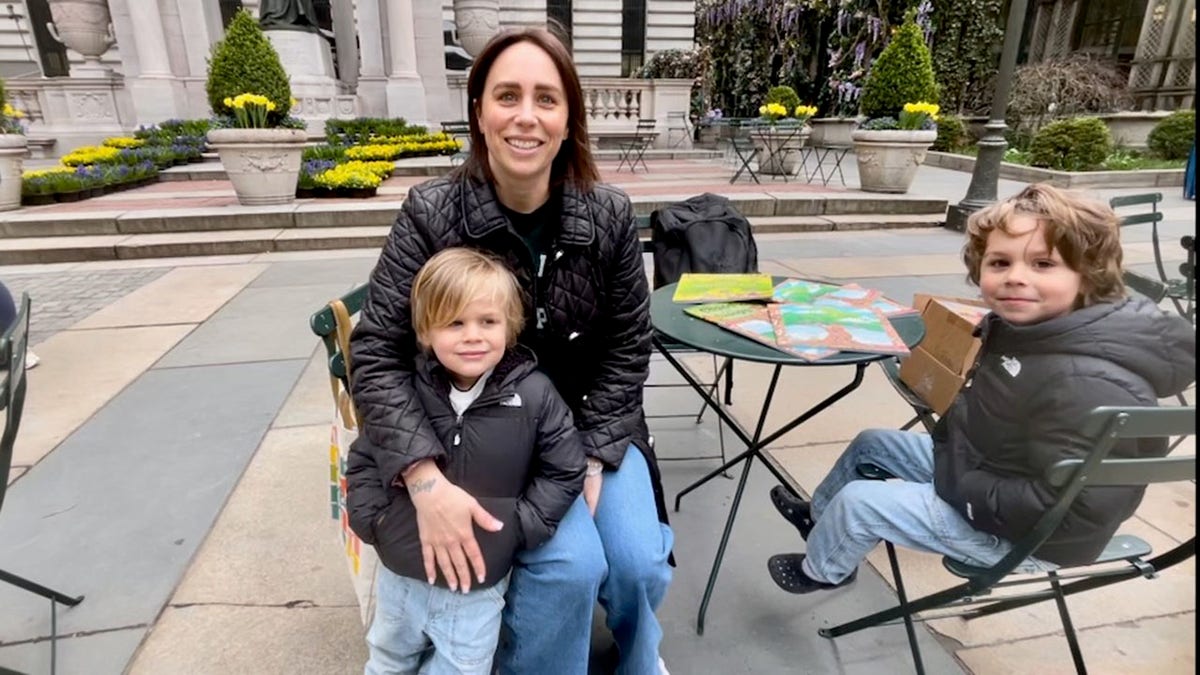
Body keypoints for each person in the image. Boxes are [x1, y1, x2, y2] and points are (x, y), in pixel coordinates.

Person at [348, 27, 673, 675]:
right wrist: (422, 474)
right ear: (479, 111)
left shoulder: (607, 213)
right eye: (507, 95)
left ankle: (639, 658)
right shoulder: (432, 212)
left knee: (637, 560)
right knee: (573, 566)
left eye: (546, 99)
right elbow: (377, 352)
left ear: (568, 118)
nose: (526, 116)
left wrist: (594, 450)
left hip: (591, 425)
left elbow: (628, 347)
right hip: (487, 430)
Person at [766, 183, 1196, 593]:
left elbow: (1078, 509)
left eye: (1043, 264)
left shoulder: (1087, 383)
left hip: (1026, 538)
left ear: (1088, 277)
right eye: (999, 263)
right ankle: (820, 521)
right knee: (873, 445)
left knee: (862, 502)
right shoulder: (1031, 331)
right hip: (989, 475)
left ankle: (824, 570)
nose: (1015, 277)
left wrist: (962, 488)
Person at [345, 247, 585, 674]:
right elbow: (366, 455)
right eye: (455, 323)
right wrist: (375, 521)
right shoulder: (408, 393)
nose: (472, 335)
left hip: (478, 586)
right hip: (401, 576)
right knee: (386, 661)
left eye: (487, 322)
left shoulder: (535, 395)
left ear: (510, 328)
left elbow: (563, 468)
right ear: (425, 332)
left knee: (462, 668)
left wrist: (518, 527)